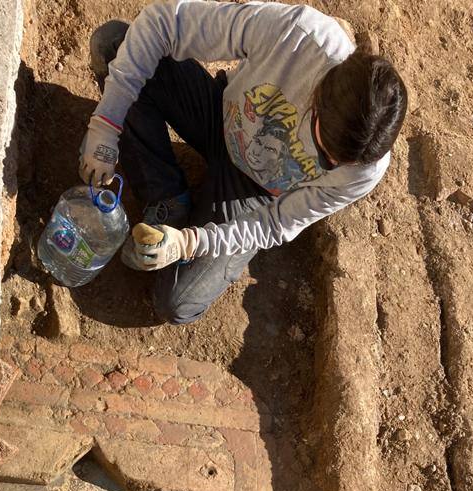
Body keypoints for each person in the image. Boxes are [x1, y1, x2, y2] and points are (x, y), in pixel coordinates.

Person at [79, 2, 408, 324]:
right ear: (317, 98)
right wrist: (107, 123)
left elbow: (275, 223)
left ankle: (183, 222)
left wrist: (190, 243)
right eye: (323, 152)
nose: (327, 164)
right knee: (113, 43)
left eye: (334, 165)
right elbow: (163, 23)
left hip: (253, 193)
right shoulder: (294, 34)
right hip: (222, 116)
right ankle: (165, 197)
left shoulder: (364, 170)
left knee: (176, 302)